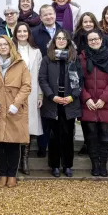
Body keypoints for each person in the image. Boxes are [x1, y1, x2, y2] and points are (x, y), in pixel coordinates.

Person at [0, 35, 31, 188]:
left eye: (5, 44)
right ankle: (2, 174)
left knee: (13, 144)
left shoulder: (20, 63)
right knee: (0, 144)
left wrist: (16, 104)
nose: (2, 47)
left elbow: (26, 86)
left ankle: (12, 175)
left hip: (13, 109)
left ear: (10, 46)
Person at [38, 29, 83, 178]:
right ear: (54, 41)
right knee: (54, 136)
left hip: (69, 102)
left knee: (68, 135)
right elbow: (42, 79)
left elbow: (79, 81)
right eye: (59, 38)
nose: (61, 40)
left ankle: (67, 165)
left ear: (68, 41)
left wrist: (72, 97)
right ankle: (55, 165)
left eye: (64, 38)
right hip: (53, 103)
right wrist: (52, 96)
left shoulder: (74, 59)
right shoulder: (47, 59)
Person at [79, 29, 108, 177]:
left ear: (101, 40)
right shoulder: (81, 58)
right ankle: (95, 165)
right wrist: (87, 98)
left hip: (106, 103)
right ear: (87, 42)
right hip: (88, 103)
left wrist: (104, 98)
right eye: (91, 40)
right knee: (90, 136)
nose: (94, 42)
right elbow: (77, 80)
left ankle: (103, 165)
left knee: (105, 135)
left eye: (96, 39)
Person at [12, 22, 43, 175]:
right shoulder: (10, 50)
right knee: (15, 124)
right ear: (15, 33)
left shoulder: (36, 51)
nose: (22, 34)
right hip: (14, 93)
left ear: (29, 33)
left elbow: (40, 75)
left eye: (25, 31)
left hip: (31, 92)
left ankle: (24, 159)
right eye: (19, 31)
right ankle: (15, 158)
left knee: (29, 125)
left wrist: (40, 94)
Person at [31, 4, 61, 157]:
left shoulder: (64, 32)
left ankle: (58, 148)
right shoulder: (35, 33)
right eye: (45, 15)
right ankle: (42, 147)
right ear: (41, 17)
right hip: (42, 76)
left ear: (55, 14)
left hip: (61, 77)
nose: (49, 17)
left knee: (59, 115)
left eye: (51, 14)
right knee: (44, 114)